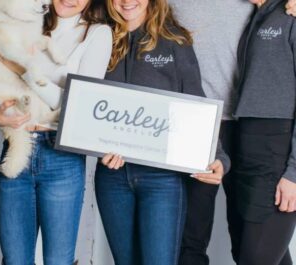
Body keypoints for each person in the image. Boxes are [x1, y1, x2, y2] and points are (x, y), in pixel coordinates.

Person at [92, 0, 230, 263]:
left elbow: (195, 102)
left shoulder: (175, 41)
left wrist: (220, 158)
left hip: (162, 178)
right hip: (111, 177)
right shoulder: (98, 37)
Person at [168, 1, 296, 264]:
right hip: (200, 124)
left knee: (251, 241)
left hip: (259, 134)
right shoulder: (260, 13)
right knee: (196, 238)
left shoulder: (282, 10)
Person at [0, 0, 112, 263]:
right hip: (17, 146)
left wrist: (24, 70)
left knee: (59, 261)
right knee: (14, 261)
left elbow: (79, 106)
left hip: (62, 156)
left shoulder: (97, 34)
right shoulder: (23, 23)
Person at [233, 0, 296, 264]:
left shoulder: (290, 13)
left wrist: (294, 172)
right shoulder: (256, 14)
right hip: (247, 146)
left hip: (277, 151)